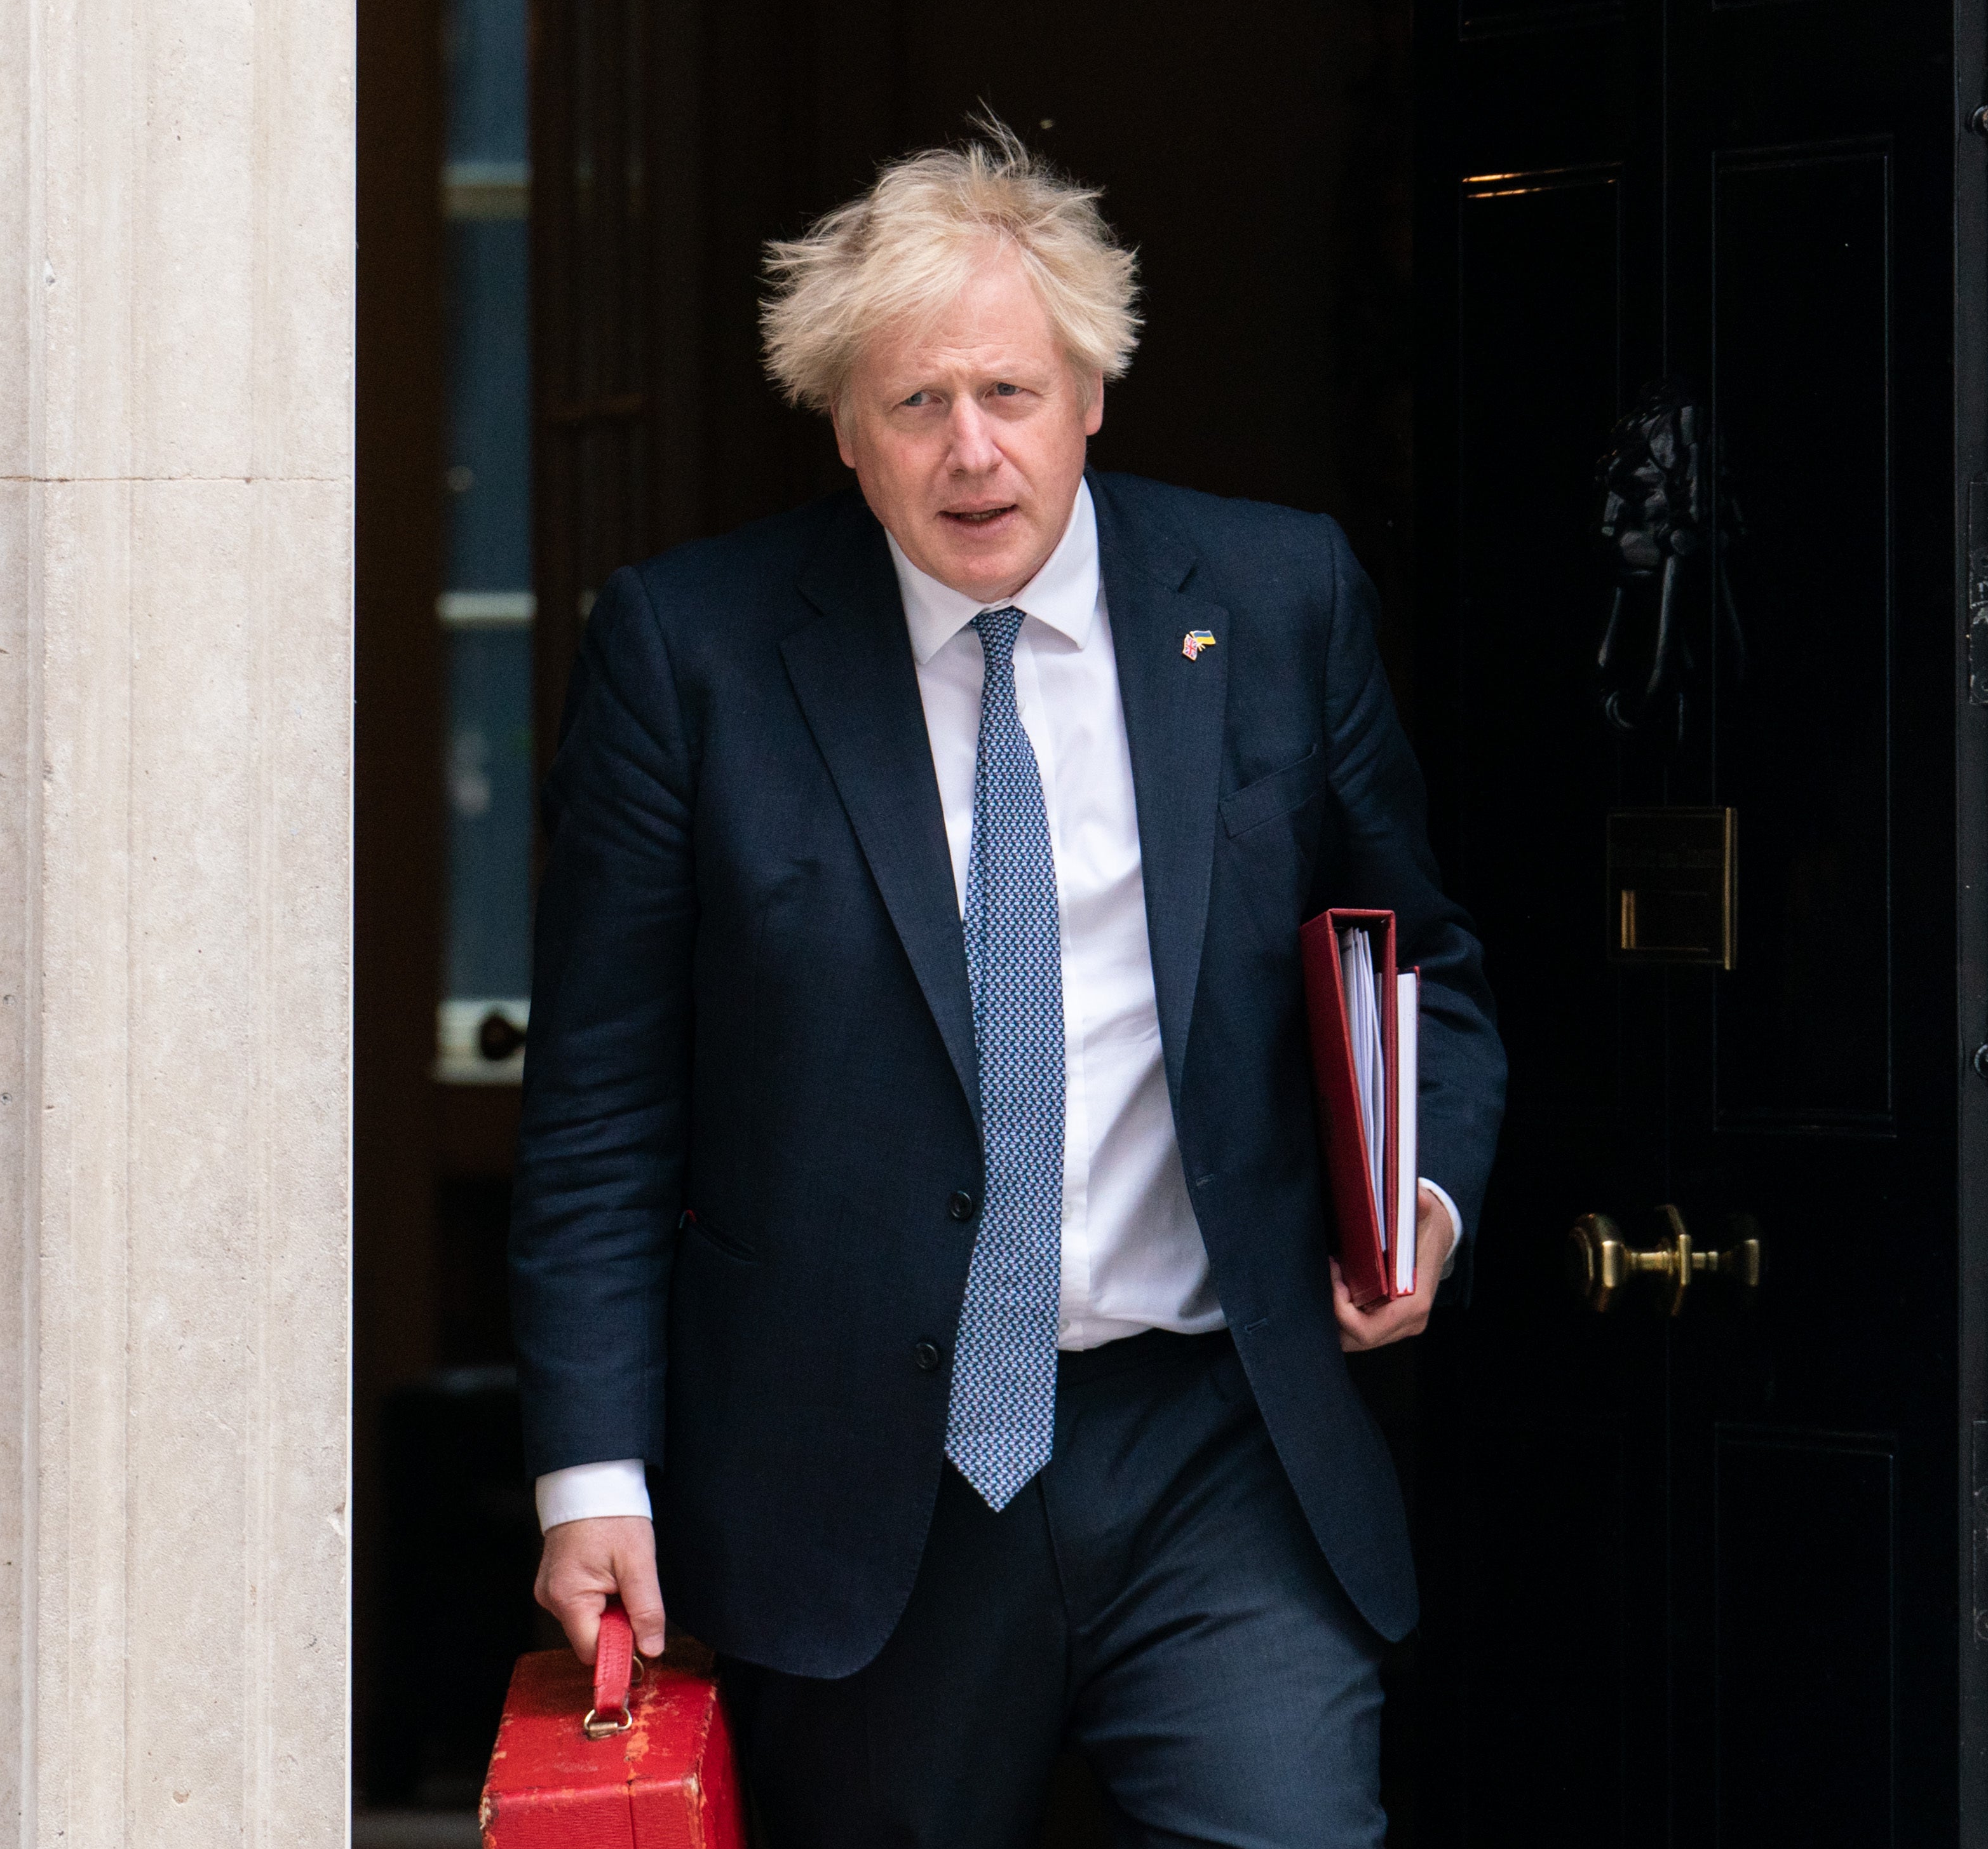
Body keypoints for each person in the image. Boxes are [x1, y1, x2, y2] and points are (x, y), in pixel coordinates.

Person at [508, 119, 1505, 1845]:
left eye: (1011, 394)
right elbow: (602, 1101)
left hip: (1212, 1436)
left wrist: (1419, 1186)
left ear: (1093, 394)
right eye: (915, 406)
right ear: (843, 428)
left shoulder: (1270, 599)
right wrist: (591, 1471)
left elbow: (1423, 959)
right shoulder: (696, 654)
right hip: (855, 1475)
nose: (972, 453)